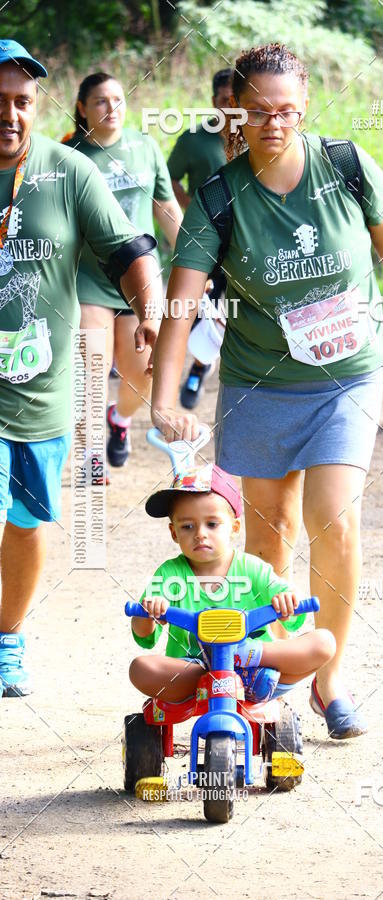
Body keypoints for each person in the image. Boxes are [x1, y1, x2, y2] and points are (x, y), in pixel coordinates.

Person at [150, 43, 383, 739]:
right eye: (257, 111)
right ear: (236, 112)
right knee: (272, 536)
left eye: (285, 111)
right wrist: (165, 397)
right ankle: (266, 675)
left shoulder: (345, 167)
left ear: (305, 105)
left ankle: (330, 676)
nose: (272, 123)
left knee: (333, 517)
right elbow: (181, 304)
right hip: (259, 383)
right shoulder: (220, 199)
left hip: (346, 376)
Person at [0, 41, 162, 697]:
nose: (9, 114)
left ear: (37, 105)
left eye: (21, 101)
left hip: (40, 391)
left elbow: (130, 247)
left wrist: (149, 308)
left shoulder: (68, 172)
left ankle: (8, 638)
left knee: (26, 522)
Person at [129, 464, 336, 708]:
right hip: (194, 671)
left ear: (234, 527)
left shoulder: (253, 569)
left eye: (212, 524)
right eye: (187, 526)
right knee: (140, 668)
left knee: (324, 642)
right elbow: (143, 634)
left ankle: (244, 653)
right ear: (174, 533)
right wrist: (150, 612)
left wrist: (288, 599)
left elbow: (292, 615)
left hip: (254, 667)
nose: (200, 534)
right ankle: (213, 677)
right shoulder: (169, 574)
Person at [63, 73, 182, 467]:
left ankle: (120, 418)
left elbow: (165, 208)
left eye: (118, 98)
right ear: (82, 108)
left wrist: (198, 260)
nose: (112, 107)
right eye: (100, 101)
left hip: (140, 281)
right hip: (87, 278)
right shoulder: (68, 155)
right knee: (90, 370)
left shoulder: (144, 146)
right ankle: (91, 455)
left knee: (142, 377)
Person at [167, 69, 232, 409]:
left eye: (237, 100)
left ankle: (200, 366)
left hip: (242, 243)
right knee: (191, 305)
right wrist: (192, 208)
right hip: (202, 242)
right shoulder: (194, 140)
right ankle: (172, 368)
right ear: (213, 102)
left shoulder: (256, 138)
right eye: (225, 101)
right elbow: (168, 179)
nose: (231, 107)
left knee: (228, 306)